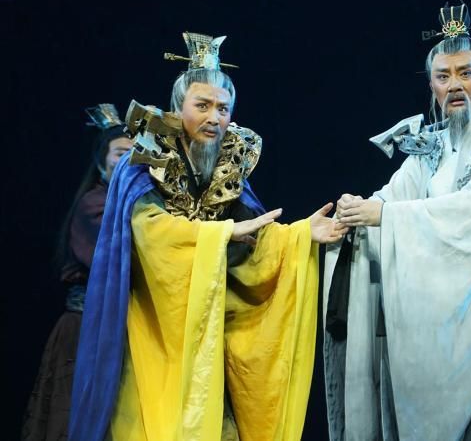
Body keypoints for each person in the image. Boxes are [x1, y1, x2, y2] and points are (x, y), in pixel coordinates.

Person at [69, 32, 346, 441]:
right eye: (202, 106)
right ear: (178, 108)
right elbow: (150, 232)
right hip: (150, 326)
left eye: (223, 108)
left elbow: (255, 238)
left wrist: (301, 234)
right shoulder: (143, 162)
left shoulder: (228, 168)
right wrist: (222, 233)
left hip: (206, 327)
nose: (214, 117)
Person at [323, 4, 471, 440]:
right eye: (443, 76)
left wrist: (386, 216)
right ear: (431, 85)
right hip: (436, 326)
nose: (454, 85)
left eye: (465, 73)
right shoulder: (430, 148)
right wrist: (356, 211)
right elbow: (390, 198)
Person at [22, 104, 132, 441]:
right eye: (120, 154)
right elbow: (122, 257)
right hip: (86, 331)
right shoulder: (94, 205)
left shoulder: (133, 207)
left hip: (115, 331)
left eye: (136, 155)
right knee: (75, 423)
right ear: (101, 162)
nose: (128, 162)